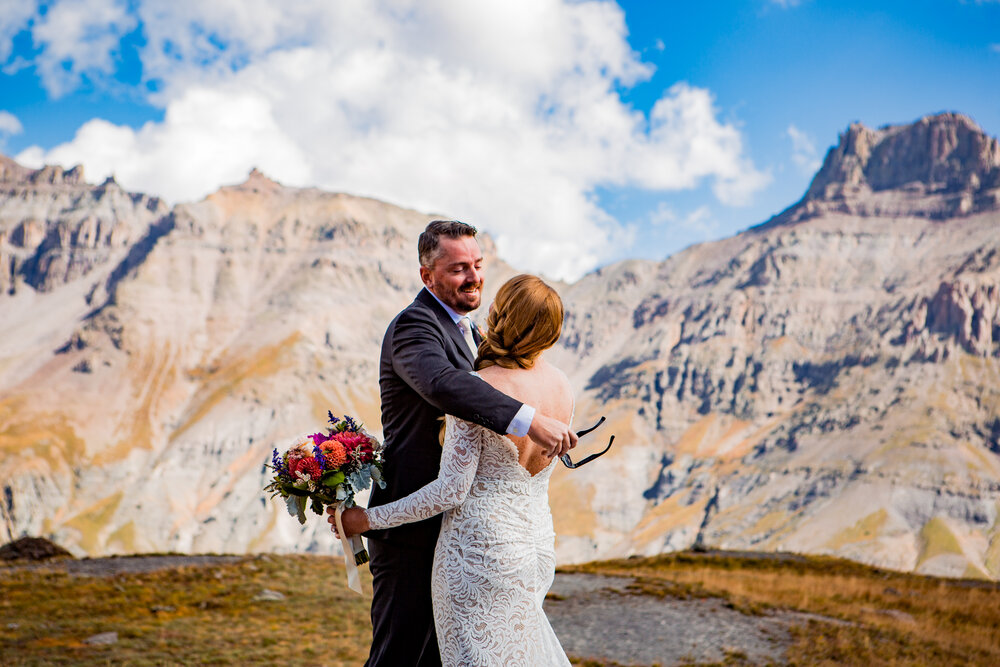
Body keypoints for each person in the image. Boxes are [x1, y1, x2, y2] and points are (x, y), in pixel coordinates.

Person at [333, 221, 577, 667]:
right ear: (427, 276)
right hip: (412, 531)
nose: (474, 277)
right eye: (459, 268)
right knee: (399, 656)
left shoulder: (476, 336)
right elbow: (443, 384)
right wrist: (530, 419)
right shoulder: (413, 326)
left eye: (479, 265)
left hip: (471, 537)